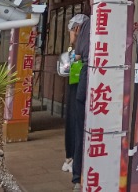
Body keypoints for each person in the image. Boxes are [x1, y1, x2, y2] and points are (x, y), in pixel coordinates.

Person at [63, 14, 88, 174]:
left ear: (77, 28)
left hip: (79, 86)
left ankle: (72, 158)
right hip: (79, 84)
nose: (70, 35)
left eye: (71, 31)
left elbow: (72, 62)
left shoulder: (80, 46)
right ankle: (72, 158)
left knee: (75, 120)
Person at [71, 7, 90, 191]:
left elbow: (76, 56)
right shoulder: (118, 20)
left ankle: (78, 177)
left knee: (81, 129)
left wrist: (74, 40)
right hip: (109, 82)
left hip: (86, 80)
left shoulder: (87, 24)